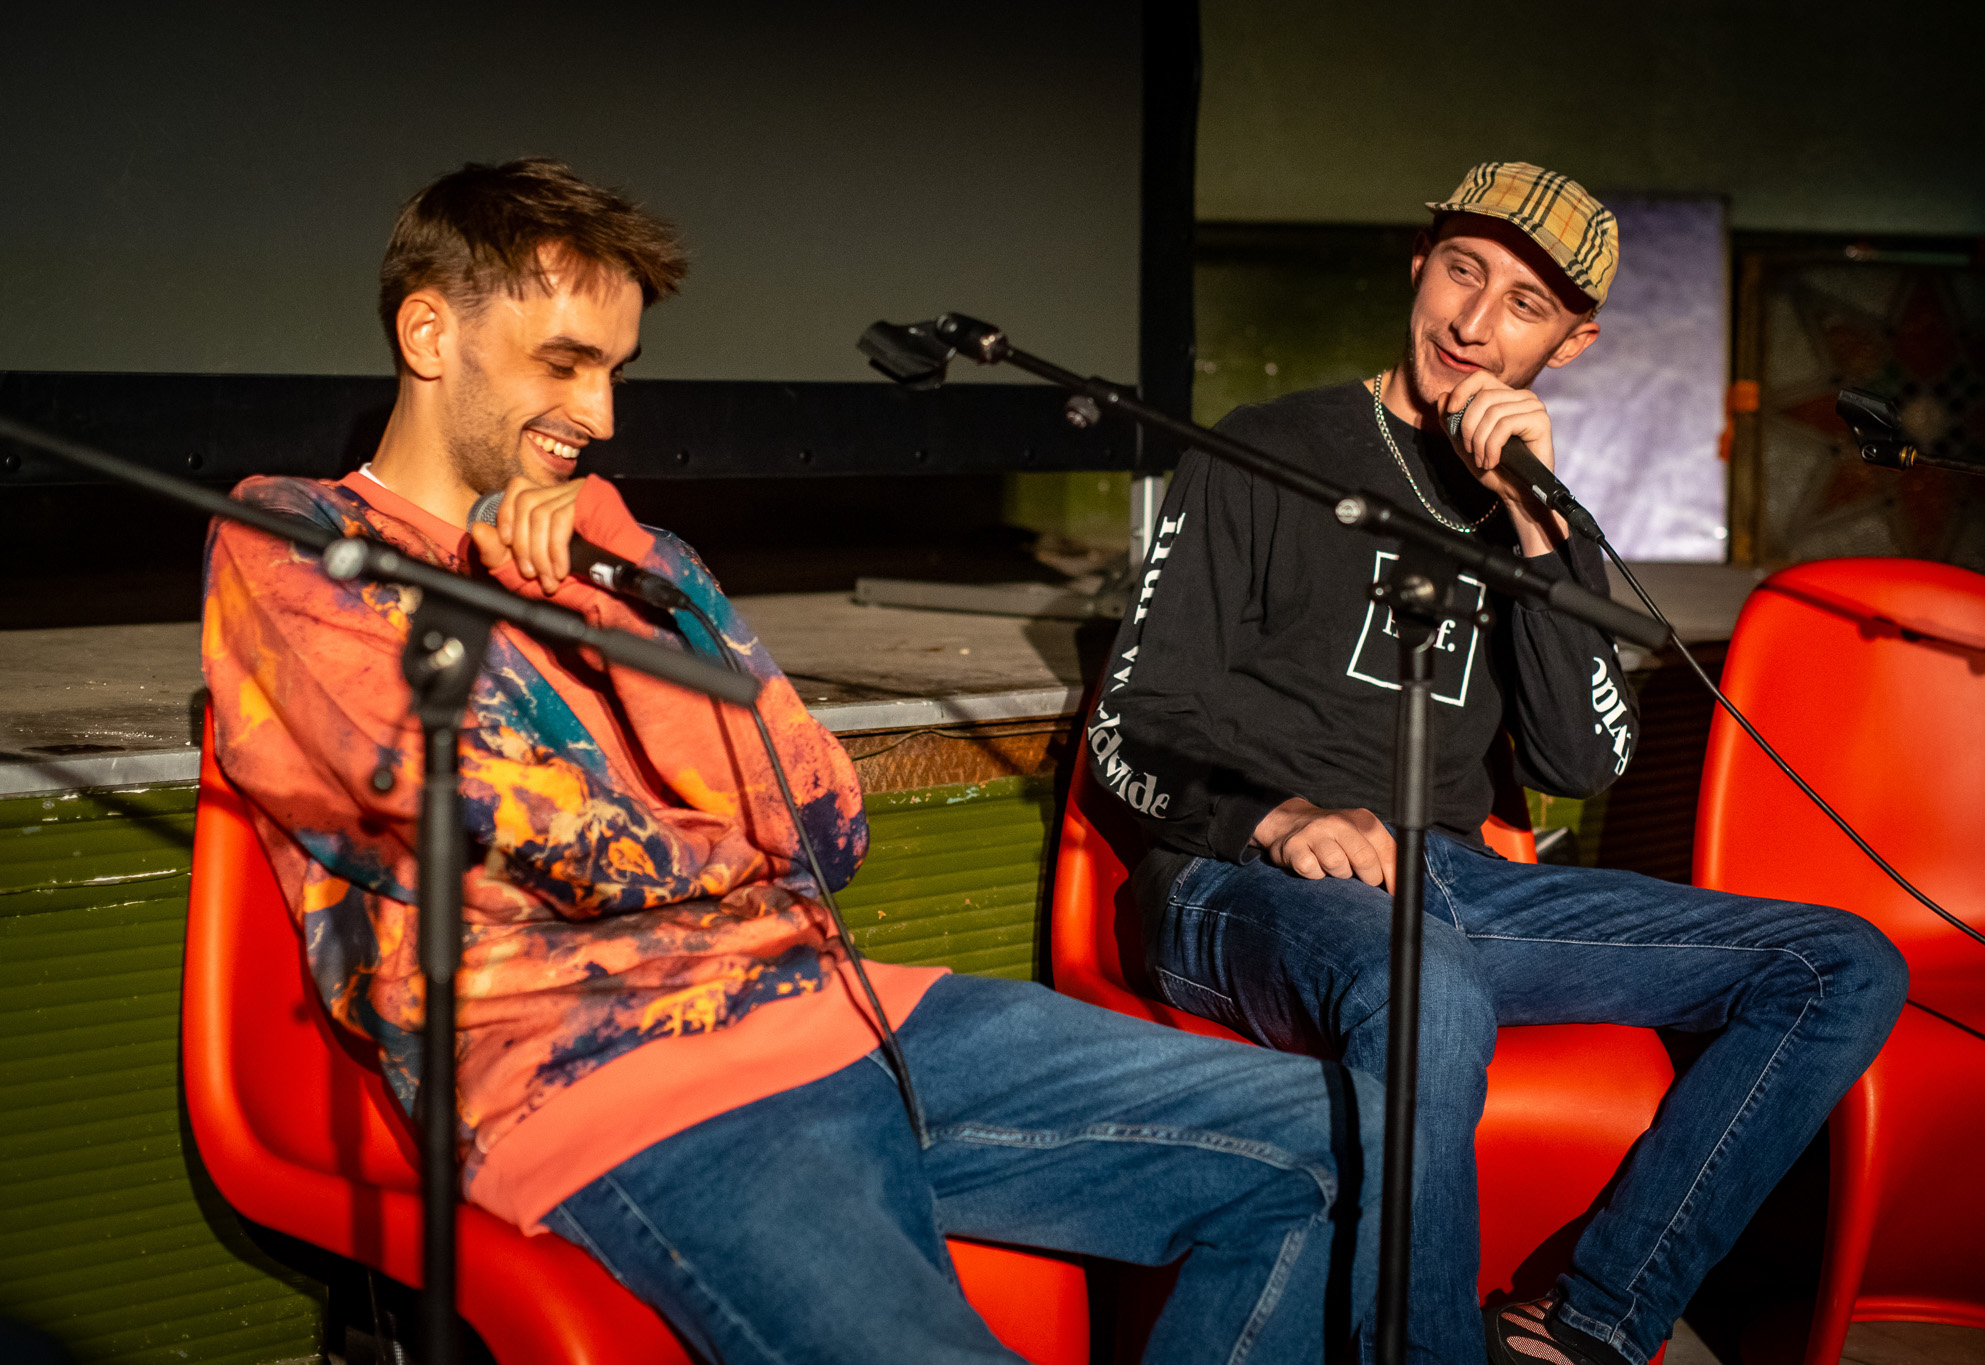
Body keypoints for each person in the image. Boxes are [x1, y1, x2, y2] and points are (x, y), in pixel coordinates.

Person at [202, 158, 1390, 1363]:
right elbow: (509, 827)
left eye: (614, 370)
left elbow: (824, 828)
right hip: (610, 1082)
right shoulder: (299, 541)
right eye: (563, 362)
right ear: (427, 331)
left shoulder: (630, 550)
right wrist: (722, 846)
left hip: (843, 1014)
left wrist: (617, 602)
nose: (601, 416)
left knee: (1343, 1151)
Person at [1089, 161, 1909, 1365]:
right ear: (1416, 267)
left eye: (1523, 304)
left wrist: (1539, 534)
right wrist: (1277, 816)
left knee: (1839, 963)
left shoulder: (1541, 519)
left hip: (1454, 887)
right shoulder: (1262, 451)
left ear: (1568, 346)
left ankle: (1589, 1322)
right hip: (1239, 882)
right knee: (1429, 984)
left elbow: (1583, 761)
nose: (1473, 324)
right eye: (1462, 274)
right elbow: (1125, 731)